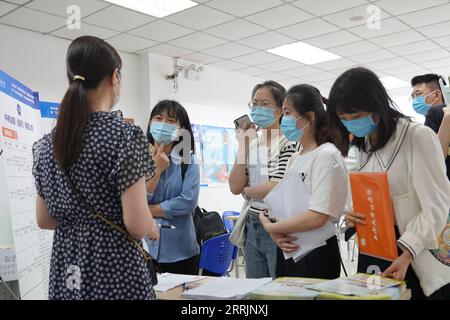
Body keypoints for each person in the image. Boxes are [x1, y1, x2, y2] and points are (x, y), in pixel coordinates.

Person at [32, 36, 159, 300]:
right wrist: (149, 224)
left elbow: (45, 220)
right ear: (114, 77)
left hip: (66, 267)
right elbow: (136, 225)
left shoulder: (45, 145)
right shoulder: (124, 136)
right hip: (114, 269)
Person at [327, 67, 450, 299]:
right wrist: (351, 215)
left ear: (377, 107)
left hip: (412, 252)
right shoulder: (362, 147)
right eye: (344, 119)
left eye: (355, 117)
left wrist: (407, 253)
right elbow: (363, 197)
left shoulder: (417, 137)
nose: (351, 125)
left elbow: (437, 207)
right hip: (373, 249)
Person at [258, 84, 348, 279]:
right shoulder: (296, 157)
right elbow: (281, 204)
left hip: (316, 251)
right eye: (283, 113)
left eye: (288, 113)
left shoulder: (327, 155)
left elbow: (318, 216)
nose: (283, 120)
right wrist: (271, 226)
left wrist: (272, 228)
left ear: (309, 117)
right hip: (290, 247)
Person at [229, 81, 299, 279]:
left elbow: (276, 187)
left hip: (276, 223)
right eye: (254, 103)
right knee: (254, 288)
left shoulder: (289, 142)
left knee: (278, 287)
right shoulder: (251, 144)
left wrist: (248, 191)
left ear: (279, 110)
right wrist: (243, 146)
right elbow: (235, 186)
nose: (258, 108)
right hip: (252, 223)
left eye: (265, 103)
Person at [145, 100, 201, 275]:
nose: (162, 124)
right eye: (158, 118)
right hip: (145, 249)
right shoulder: (138, 159)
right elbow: (135, 198)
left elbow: (187, 202)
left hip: (181, 251)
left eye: (170, 121)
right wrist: (157, 171)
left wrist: (146, 210)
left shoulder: (188, 161)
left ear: (180, 129)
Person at [410, 74, 450, 180]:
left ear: (437, 95)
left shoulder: (434, 114)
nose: (415, 100)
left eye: (418, 94)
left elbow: (433, 159)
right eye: (412, 96)